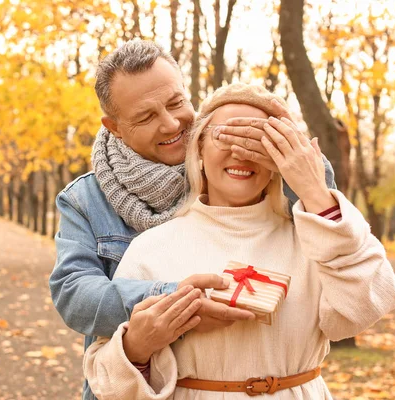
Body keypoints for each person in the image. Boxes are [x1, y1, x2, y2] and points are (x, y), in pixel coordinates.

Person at [49, 40, 337, 400]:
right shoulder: (85, 199)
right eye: (146, 116)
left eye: (175, 103)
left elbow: (320, 203)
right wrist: (179, 301)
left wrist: (286, 141)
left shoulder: (230, 164)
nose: (172, 124)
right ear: (115, 126)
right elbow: (76, 296)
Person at [82, 83, 395, 399]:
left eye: (258, 140)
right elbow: (106, 383)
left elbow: (367, 305)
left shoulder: (315, 239)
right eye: (225, 136)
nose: (241, 152)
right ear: (200, 148)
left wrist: (315, 191)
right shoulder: (152, 248)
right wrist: (137, 346)